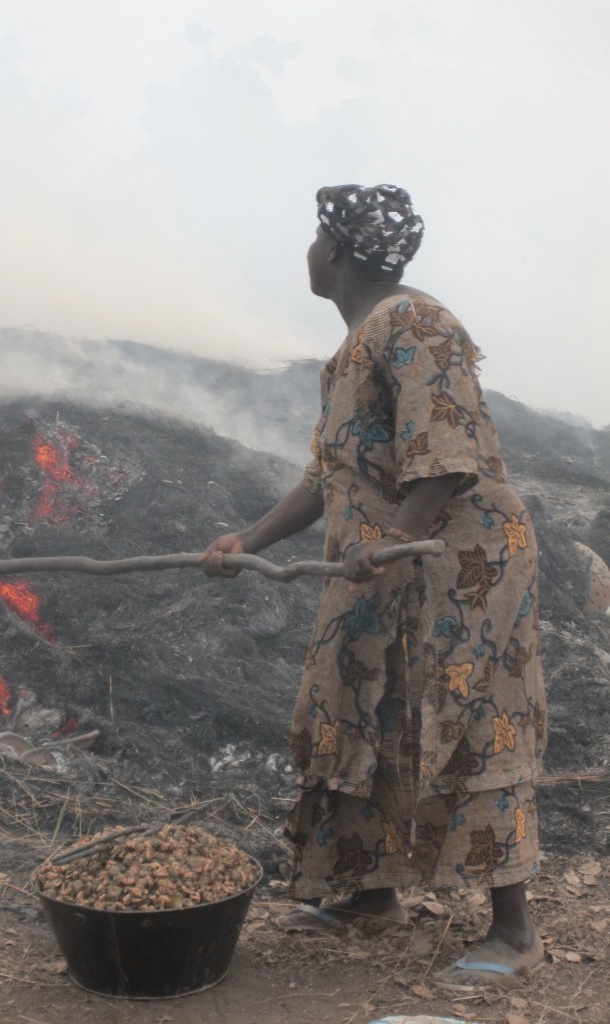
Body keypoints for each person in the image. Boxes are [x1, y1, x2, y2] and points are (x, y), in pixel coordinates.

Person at [200, 183, 546, 992]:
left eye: (314, 239)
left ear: (336, 250)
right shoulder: (357, 346)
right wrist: (245, 541)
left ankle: (514, 930)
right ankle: (370, 893)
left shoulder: (415, 323)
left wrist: (392, 542)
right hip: (387, 559)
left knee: (466, 715)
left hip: (459, 563)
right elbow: (328, 479)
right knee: (354, 699)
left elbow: (449, 452)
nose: (308, 252)